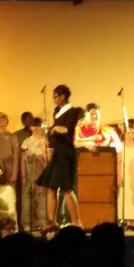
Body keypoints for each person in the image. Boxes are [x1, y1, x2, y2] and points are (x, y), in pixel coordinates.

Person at [36, 84, 83, 227]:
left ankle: (76, 222)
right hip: (56, 153)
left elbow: (66, 130)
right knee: (51, 188)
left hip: (65, 153)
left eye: (55, 97)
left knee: (66, 188)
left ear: (63, 97)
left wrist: (55, 128)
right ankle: (52, 222)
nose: (54, 99)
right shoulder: (57, 111)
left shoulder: (72, 111)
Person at [20, 117, 48, 231]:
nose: (36, 129)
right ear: (31, 128)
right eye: (34, 126)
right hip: (29, 171)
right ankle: (27, 223)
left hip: (42, 171)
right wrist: (23, 176)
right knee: (27, 197)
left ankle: (42, 222)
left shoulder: (46, 141)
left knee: (41, 197)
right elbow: (23, 160)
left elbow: (49, 158)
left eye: (38, 126)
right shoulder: (27, 141)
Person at [117, 119, 134, 230]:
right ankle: (128, 221)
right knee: (126, 196)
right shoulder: (121, 146)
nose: (130, 135)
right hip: (125, 173)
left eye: (133, 132)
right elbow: (118, 162)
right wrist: (119, 176)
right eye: (128, 132)